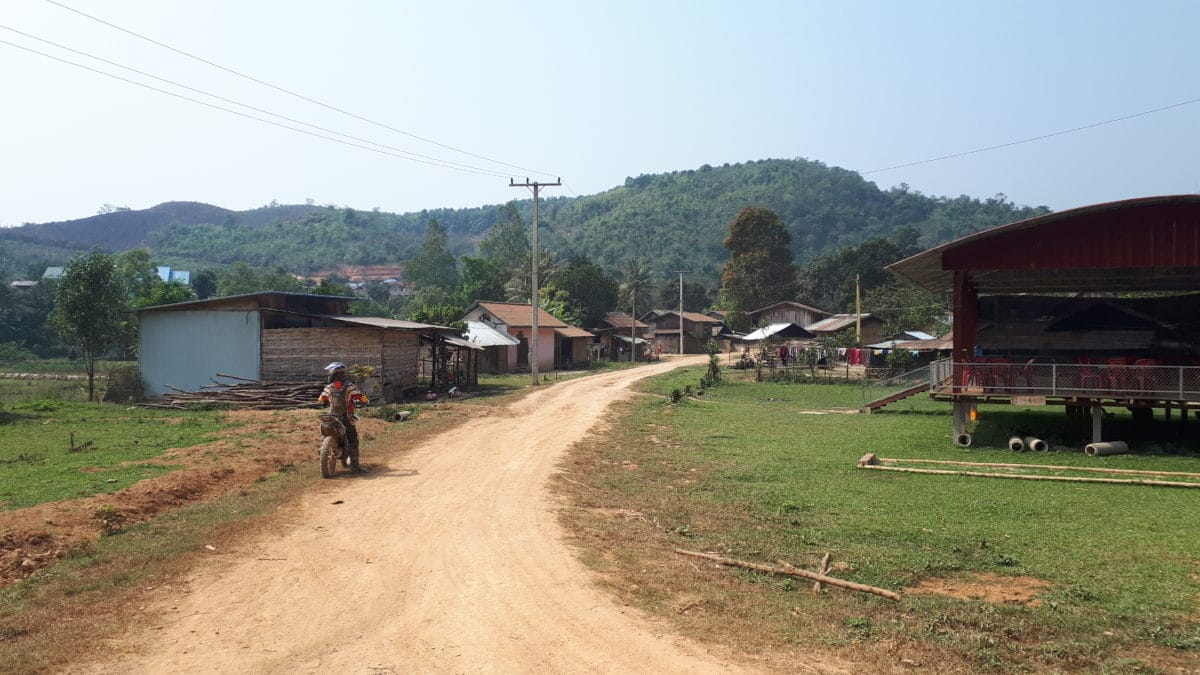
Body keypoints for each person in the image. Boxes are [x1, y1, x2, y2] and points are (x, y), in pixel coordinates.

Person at [318, 362, 369, 472]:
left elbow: (321, 399)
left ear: (332, 374)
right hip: (347, 417)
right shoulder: (349, 386)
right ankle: (355, 466)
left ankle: (324, 447)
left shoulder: (328, 387)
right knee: (353, 440)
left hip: (332, 416)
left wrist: (326, 401)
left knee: (325, 433)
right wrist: (366, 401)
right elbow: (361, 397)